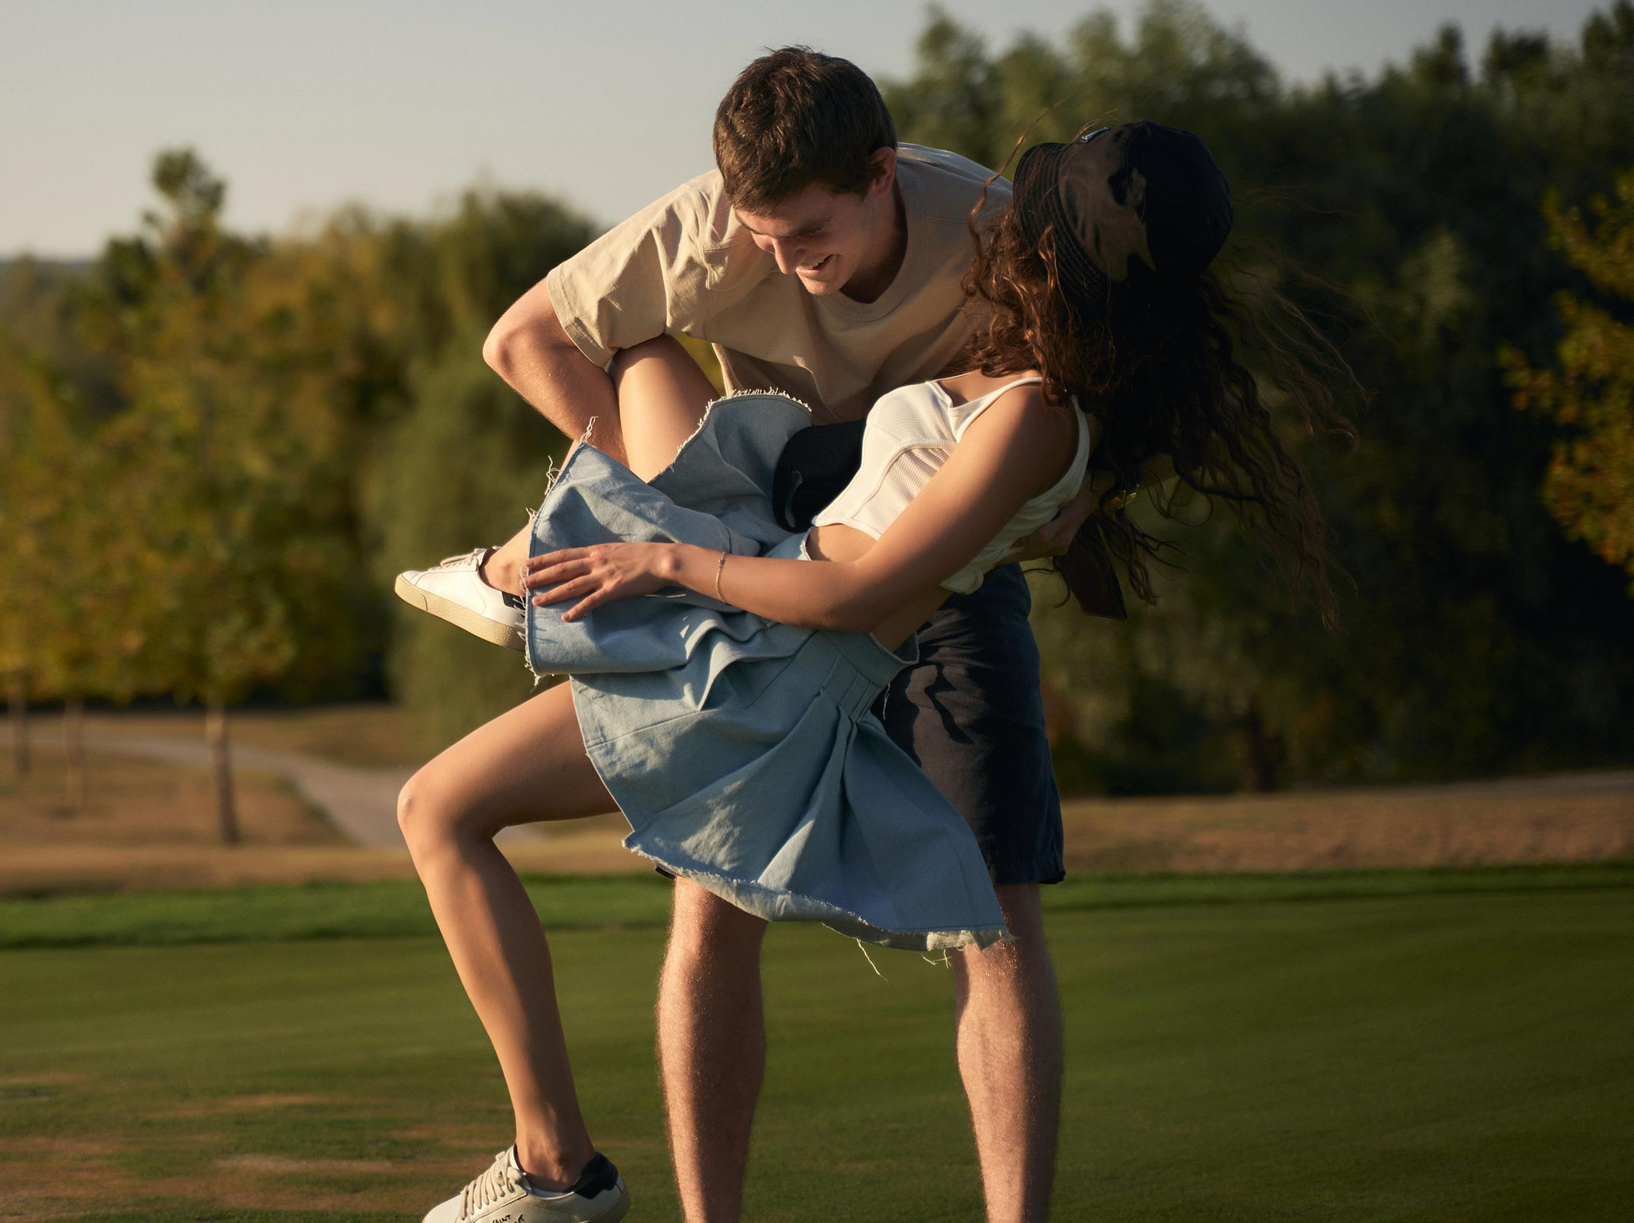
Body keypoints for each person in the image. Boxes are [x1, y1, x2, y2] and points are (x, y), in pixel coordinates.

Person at [393, 70, 1336, 1223]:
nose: (1010, 243)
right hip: (768, 591)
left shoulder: (1032, 405)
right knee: (503, 826)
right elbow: (535, 341)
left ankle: (559, 1174)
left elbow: (857, 590)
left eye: (1035, 239)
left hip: (776, 650)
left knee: (445, 812)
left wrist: (664, 560)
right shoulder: (1039, 387)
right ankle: (571, 1175)